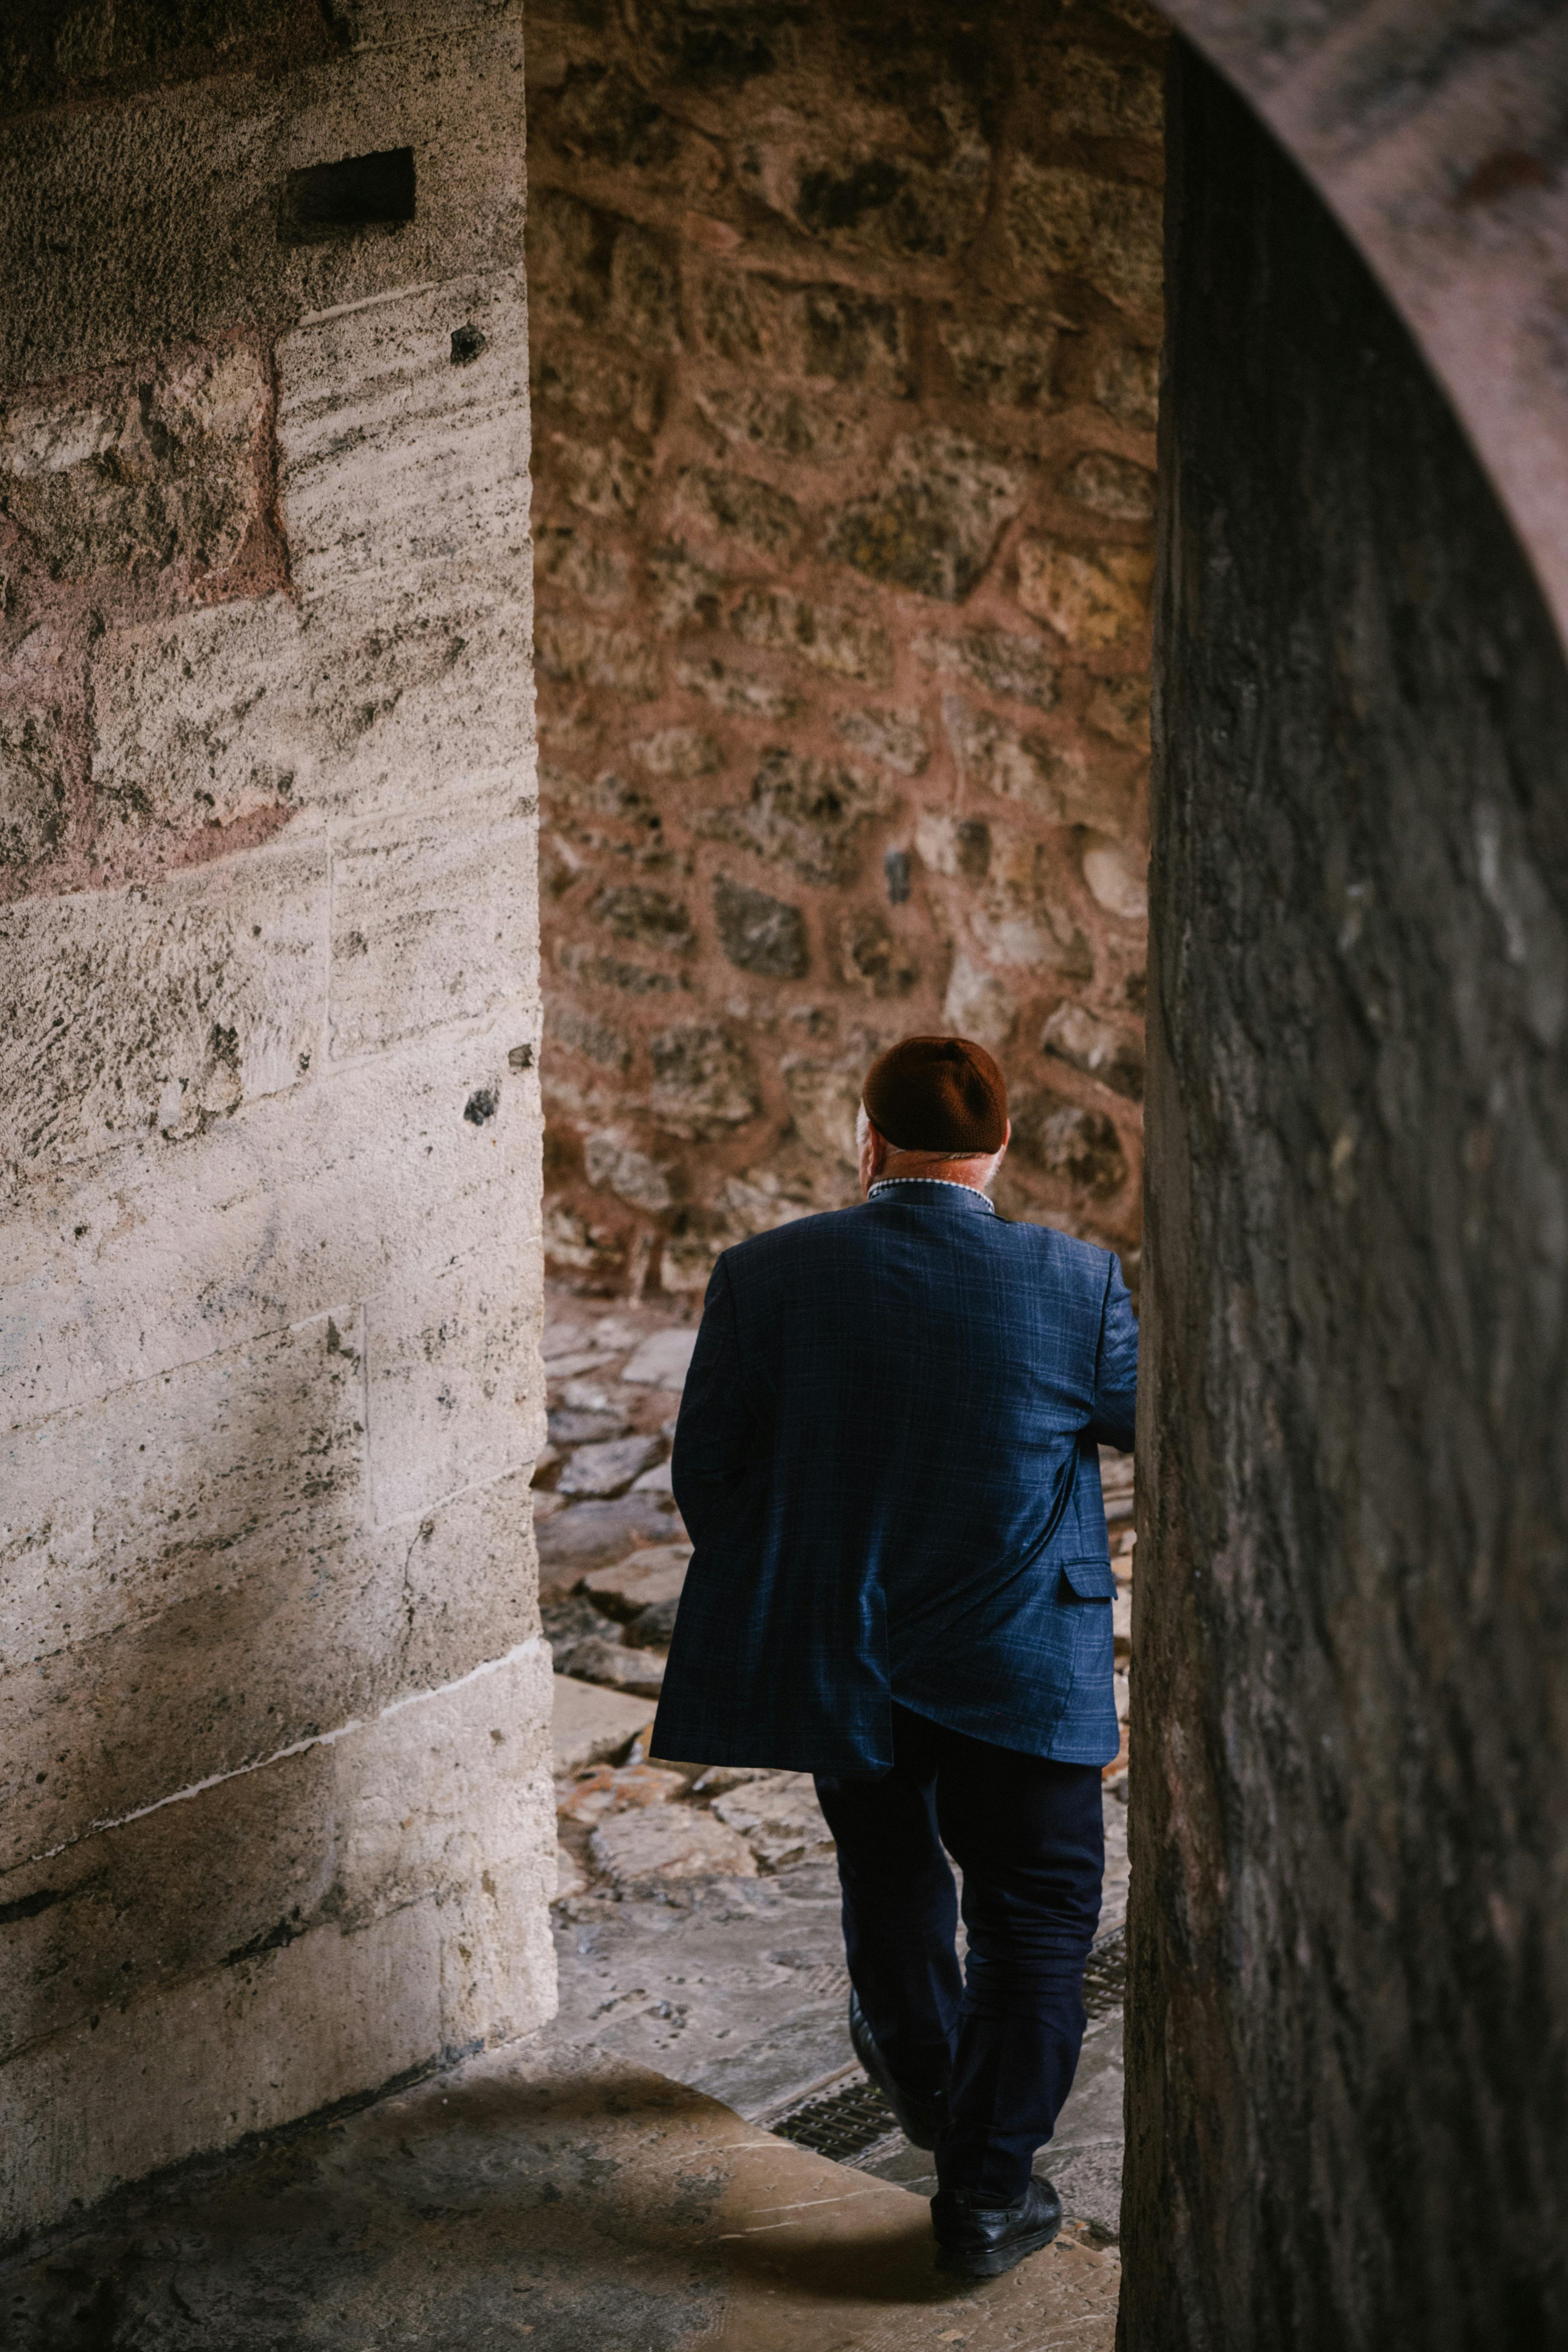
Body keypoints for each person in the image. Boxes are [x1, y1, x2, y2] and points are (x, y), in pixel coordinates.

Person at [651, 1033, 1138, 2280]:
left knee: (889, 1871)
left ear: (866, 1141)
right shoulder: (1078, 1283)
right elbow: (1151, 1425)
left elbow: (711, 1469)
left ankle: (928, 2094)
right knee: (1037, 1923)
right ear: (1004, 1147)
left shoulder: (767, 1276)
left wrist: (811, 1583)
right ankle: (982, 2200)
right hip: (1019, 1655)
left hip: (849, 1654)